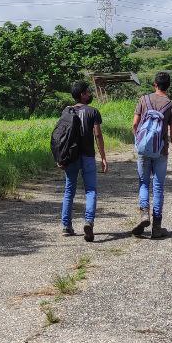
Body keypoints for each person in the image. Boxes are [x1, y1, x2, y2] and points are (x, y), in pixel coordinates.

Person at [131, 71, 172, 239]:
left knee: (144, 183)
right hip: (161, 151)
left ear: (154, 84)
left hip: (144, 150)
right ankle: (157, 228)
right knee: (158, 187)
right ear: (168, 86)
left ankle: (144, 214)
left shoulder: (143, 100)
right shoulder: (171, 105)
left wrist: (139, 143)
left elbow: (135, 124)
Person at [61, 80, 108, 242]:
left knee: (69, 190)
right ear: (82, 94)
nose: (90, 94)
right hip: (87, 156)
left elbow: (62, 136)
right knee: (91, 190)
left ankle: (66, 226)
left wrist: (61, 157)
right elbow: (98, 135)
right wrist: (103, 157)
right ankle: (88, 221)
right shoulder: (93, 112)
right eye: (88, 92)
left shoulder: (66, 111)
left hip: (71, 156)